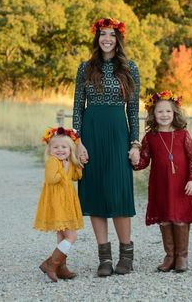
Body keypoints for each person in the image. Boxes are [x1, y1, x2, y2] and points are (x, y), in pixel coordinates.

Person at [73, 17, 140, 276]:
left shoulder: (129, 68)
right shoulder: (85, 68)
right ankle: (104, 258)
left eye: (112, 34)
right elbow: (77, 108)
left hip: (117, 134)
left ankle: (127, 254)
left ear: (118, 39)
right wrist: (78, 143)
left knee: (118, 193)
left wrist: (135, 144)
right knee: (95, 194)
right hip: (91, 133)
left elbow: (133, 110)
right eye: (103, 34)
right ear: (97, 38)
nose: (107, 39)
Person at [134, 90, 192, 273]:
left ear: (175, 113)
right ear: (153, 114)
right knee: (165, 220)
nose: (164, 115)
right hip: (160, 185)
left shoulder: (182, 134)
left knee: (179, 220)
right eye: (160, 112)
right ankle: (169, 256)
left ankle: (182, 256)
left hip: (181, 185)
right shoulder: (151, 137)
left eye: (168, 111)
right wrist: (135, 158)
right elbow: (143, 162)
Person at [34, 126, 83, 282]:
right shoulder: (53, 162)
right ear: (50, 150)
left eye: (64, 147)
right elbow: (52, 179)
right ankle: (51, 263)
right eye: (56, 147)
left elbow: (75, 177)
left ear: (70, 149)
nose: (60, 150)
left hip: (67, 202)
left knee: (62, 235)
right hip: (57, 203)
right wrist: (63, 169)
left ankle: (61, 268)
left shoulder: (68, 161)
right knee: (72, 235)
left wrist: (77, 166)